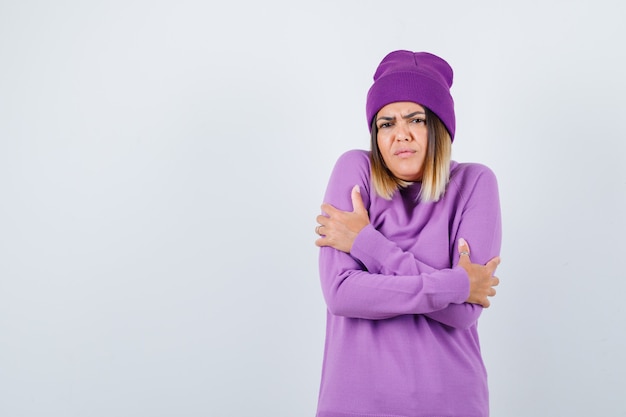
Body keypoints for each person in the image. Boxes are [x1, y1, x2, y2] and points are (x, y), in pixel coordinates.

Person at [313, 50, 502, 417]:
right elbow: (341, 294)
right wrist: (456, 285)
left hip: (450, 403)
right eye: (386, 123)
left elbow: (463, 315)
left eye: (415, 119)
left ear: (439, 126)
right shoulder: (355, 170)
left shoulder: (476, 182)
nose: (401, 135)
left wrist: (366, 243)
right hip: (354, 405)